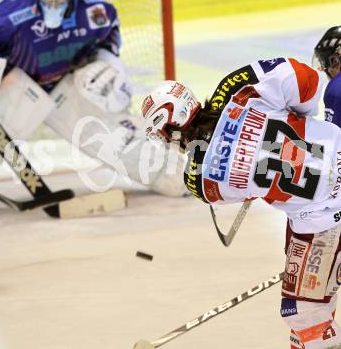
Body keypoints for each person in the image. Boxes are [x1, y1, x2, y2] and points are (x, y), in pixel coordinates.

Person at [141, 57, 341, 348]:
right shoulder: (235, 88)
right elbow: (306, 78)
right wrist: (303, 120)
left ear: (168, 129)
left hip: (323, 224)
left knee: (306, 318)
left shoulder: (198, 180)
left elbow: (248, 190)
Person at [0, 0, 186, 197]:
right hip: (21, 87)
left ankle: (172, 171)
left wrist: (108, 64)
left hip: (68, 84)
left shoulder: (95, 13)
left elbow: (109, 35)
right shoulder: (9, 18)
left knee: (106, 137)